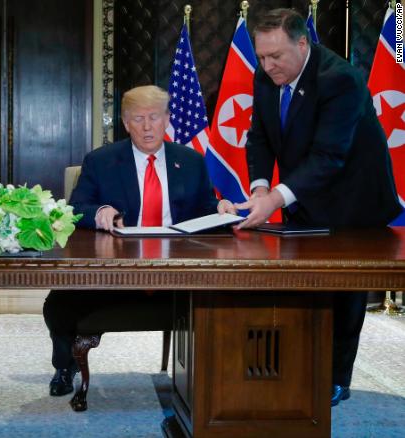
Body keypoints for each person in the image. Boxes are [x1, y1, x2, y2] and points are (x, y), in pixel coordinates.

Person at [238, 8, 402, 406]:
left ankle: (335, 379)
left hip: (354, 199)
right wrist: (261, 188)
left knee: (341, 288)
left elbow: (329, 156)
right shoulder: (266, 74)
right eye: (261, 57)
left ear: (302, 42)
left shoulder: (340, 79)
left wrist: (277, 197)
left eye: (276, 56)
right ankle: (293, 366)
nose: (267, 65)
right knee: (299, 284)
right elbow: (259, 135)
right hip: (303, 192)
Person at [43, 85, 236, 396]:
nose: (147, 127)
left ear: (167, 119)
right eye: (138, 119)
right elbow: (76, 209)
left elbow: (203, 205)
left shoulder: (190, 160)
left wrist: (220, 206)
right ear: (125, 122)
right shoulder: (101, 161)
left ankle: (220, 375)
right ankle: (64, 366)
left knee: (234, 295)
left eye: (155, 118)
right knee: (58, 302)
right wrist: (101, 211)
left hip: (179, 270)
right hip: (118, 269)